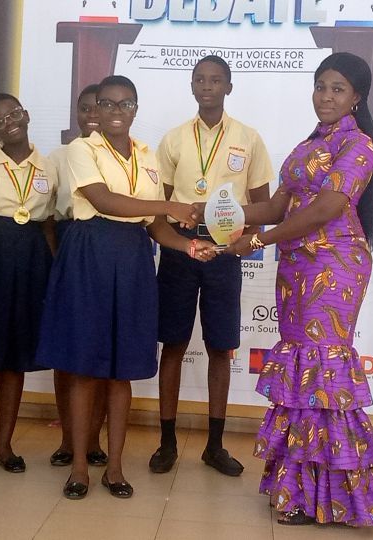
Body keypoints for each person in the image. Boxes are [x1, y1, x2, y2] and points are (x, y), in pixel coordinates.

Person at [225, 52, 373, 527]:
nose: (326, 96)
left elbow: (327, 208)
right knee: (302, 376)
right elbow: (276, 207)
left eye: (338, 89)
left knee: (322, 374)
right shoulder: (307, 145)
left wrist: (260, 241)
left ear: (357, 97)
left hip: (334, 267)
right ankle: (297, 488)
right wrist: (217, 211)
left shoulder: (359, 145)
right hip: (297, 267)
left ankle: (332, 499)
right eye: (320, 86)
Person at [36, 75, 216, 500]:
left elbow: (155, 227)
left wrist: (190, 246)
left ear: (136, 109)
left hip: (133, 258)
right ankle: (79, 468)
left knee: (121, 372)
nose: (116, 112)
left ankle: (114, 468)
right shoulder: (82, 149)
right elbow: (103, 200)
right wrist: (170, 205)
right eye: (108, 104)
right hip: (90, 253)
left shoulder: (147, 156)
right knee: (85, 368)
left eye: (126, 104)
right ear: (96, 109)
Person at [149, 55, 273, 476]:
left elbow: (263, 206)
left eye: (216, 80)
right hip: (180, 248)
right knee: (174, 344)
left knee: (221, 347)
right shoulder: (173, 139)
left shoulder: (248, 139)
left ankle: (214, 446)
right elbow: (160, 205)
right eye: (200, 79)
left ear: (228, 87)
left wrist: (236, 236)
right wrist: (184, 236)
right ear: (191, 86)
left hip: (224, 251)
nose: (207, 86)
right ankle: (167, 442)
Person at [0, 93, 56, 475]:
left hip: (32, 259)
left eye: (14, 114)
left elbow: (49, 224)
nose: (9, 122)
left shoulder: (49, 167)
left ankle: (4, 446)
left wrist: (53, 273)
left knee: (16, 361)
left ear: (27, 115)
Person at [47, 84, 108, 468]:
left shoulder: (123, 157)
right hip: (71, 246)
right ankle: (69, 439)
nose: (91, 115)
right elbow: (47, 217)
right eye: (84, 108)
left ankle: (93, 440)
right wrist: (59, 259)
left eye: (98, 107)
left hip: (108, 247)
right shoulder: (59, 156)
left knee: (100, 349)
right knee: (68, 352)